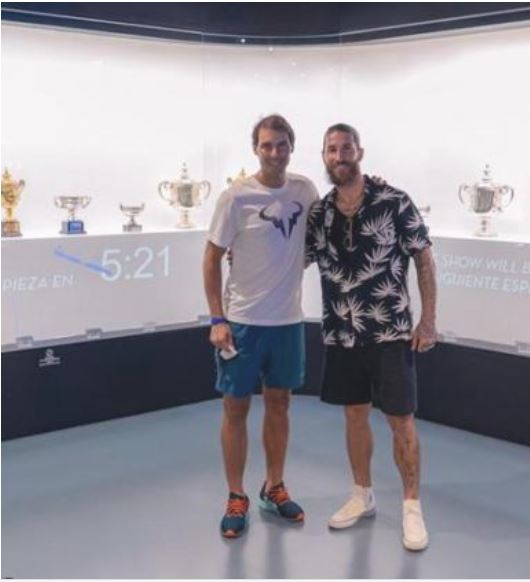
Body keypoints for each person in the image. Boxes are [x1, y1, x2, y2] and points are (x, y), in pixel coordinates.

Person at [305, 123, 437, 551]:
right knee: (354, 415)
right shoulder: (320, 213)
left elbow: (423, 258)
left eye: (346, 148)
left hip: (390, 332)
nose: (339, 155)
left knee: (401, 420)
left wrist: (428, 320)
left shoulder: (393, 201)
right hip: (341, 334)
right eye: (331, 149)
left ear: (359, 152)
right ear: (324, 156)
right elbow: (293, 258)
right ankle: (362, 494)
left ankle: (412, 507)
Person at [203, 114, 319, 539]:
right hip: (242, 324)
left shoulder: (305, 190)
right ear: (256, 148)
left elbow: (319, 233)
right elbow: (211, 258)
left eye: (281, 144)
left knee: (280, 404)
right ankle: (236, 495)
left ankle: (274, 487)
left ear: (292, 146)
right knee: (235, 408)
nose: (274, 152)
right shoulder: (235, 197)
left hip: (287, 321)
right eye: (267, 145)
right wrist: (218, 318)